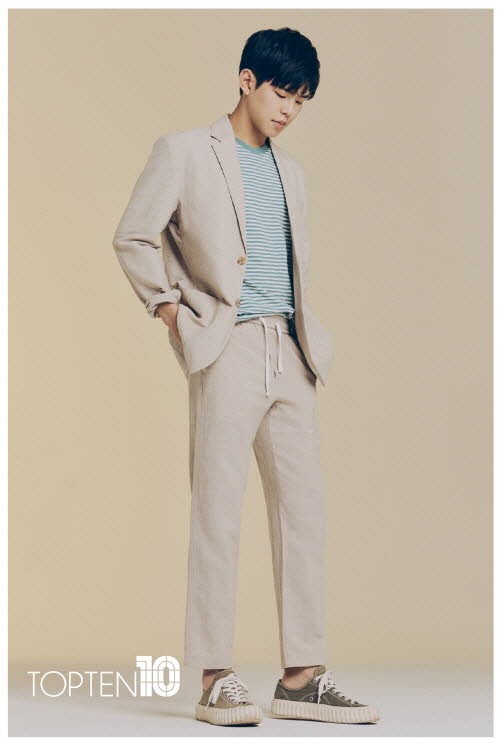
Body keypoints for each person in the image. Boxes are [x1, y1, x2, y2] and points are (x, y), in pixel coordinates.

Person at [112, 26, 380, 727]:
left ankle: (302, 677)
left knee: (304, 515)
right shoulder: (183, 152)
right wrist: (171, 311)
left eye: (301, 100)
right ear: (246, 80)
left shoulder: (292, 172)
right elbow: (133, 235)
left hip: (291, 350)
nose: (289, 109)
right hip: (225, 347)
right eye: (281, 92)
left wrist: (301, 344)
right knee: (218, 513)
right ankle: (214, 677)